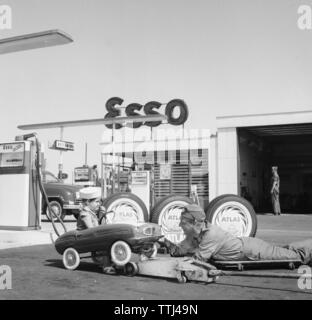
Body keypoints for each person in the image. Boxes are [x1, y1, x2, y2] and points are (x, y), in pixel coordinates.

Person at [160, 204, 312, 265]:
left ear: (193, 223)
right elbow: (177, 252)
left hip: (252, 251)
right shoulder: (193, 236)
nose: (179, 224)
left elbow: (197, 260)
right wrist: (162, 241)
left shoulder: (211, 234)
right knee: (285, 251)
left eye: (183, 222)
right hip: (247, 246)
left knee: (296, 257)